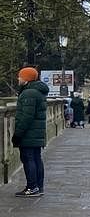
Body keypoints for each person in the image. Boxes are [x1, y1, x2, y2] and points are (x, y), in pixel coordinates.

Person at [12, 67, 48, 197]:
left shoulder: (29, 93)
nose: (18, 78)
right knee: (36, 159)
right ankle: (38, 186)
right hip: (36, 133)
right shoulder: (37, 92)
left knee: (28, 159)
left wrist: (18, 134)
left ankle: (32, 187)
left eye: (20, 77)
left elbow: (26, 116)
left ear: (26, 79)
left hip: (29, 133)